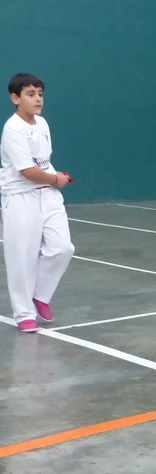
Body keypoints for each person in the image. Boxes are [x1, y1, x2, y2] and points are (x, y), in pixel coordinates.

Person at [1, 73, 75, 333]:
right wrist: (56, 179)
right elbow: (27, 171)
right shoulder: (13, 129)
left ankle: (40, 295)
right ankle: (24, 314)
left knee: (63, 248)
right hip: (20, 198)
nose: (38, 99)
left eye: (40, 94)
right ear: (15, 98)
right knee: (22, 257)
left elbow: (43, 162)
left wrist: (55, 176)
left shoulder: (42, 123)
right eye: (30, 94)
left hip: (48, 196)